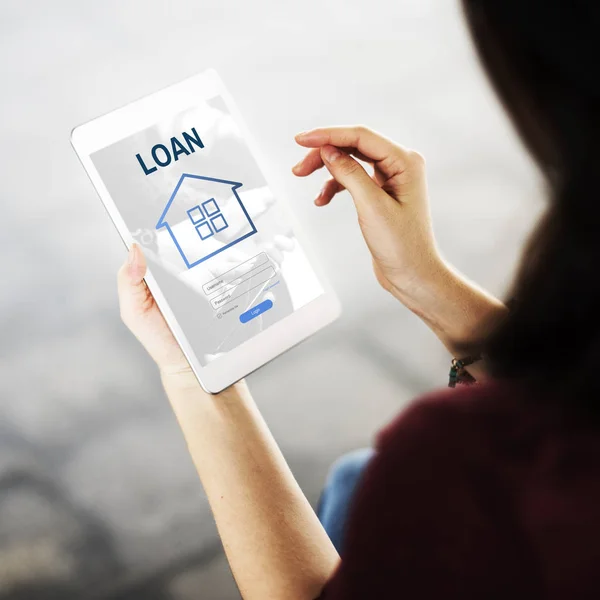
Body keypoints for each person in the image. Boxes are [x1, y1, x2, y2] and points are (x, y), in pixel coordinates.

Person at [117, 0, 600, 597]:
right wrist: (422, 278)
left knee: (362, 483)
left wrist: (193, 372)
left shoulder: (454, 457)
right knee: (352, 478)